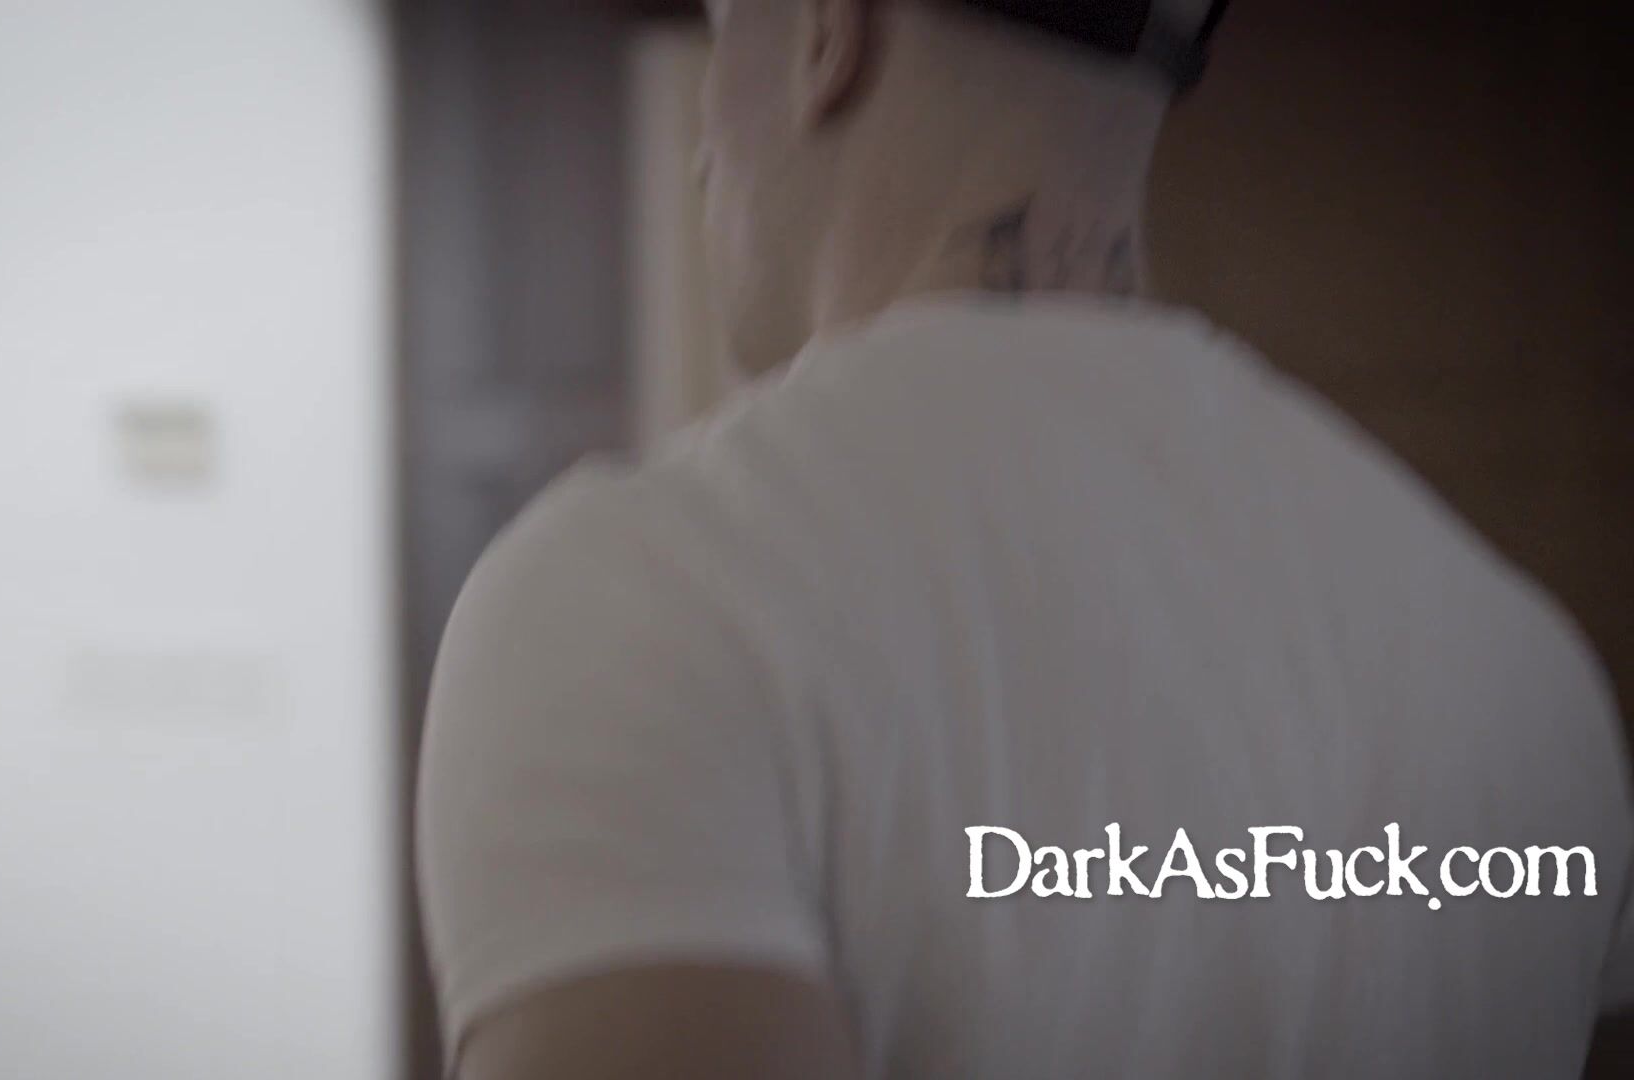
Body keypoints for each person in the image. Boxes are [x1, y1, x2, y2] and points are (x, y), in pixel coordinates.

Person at [415, 0, 1634, 1076]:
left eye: (726, 29)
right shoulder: (1522, 666)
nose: (697, 149)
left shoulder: (648, 603)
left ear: (829, 34)